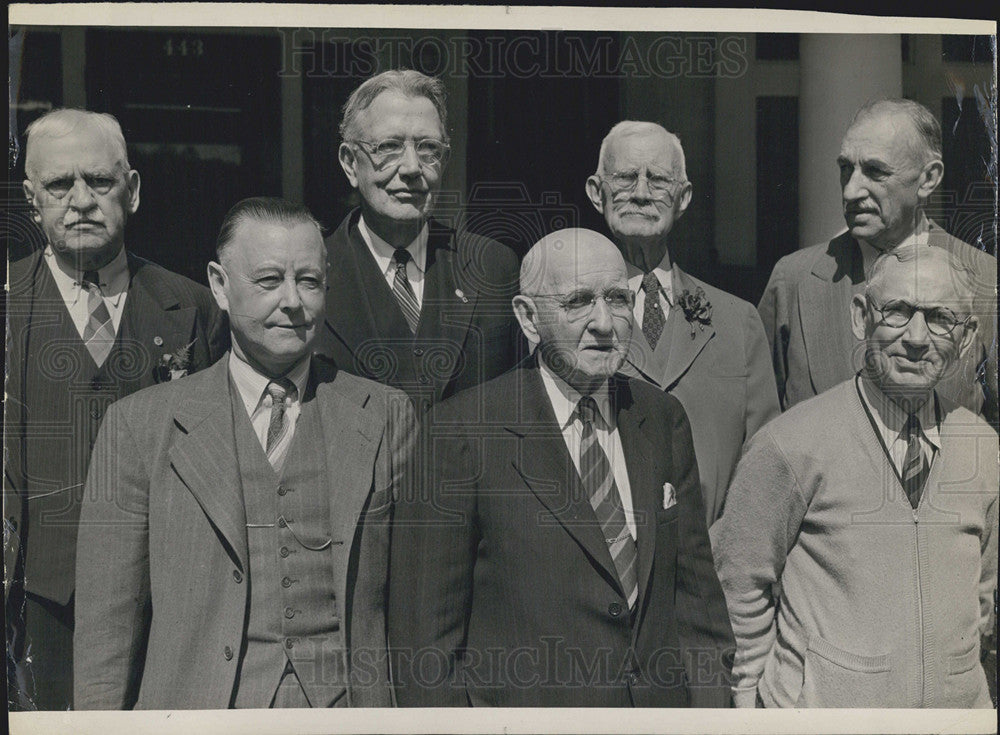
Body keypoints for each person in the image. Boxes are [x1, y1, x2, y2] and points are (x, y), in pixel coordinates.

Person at [74, 198, 415, 709]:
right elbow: (107, 627)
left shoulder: (385, 417)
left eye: (309, 281)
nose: (292, 301)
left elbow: (415, 608)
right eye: (268, 280)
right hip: (199, 713)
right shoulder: (140, 427)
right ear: (219, 285)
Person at [389, 228, 734, 707]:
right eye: (578, 302)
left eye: (617, 298)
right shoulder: (461, 434)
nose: (604, 323)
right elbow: (425, 645)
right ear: (528, 319)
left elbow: (698, 605)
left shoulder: (661, 417)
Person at [4, 108, 227, 710]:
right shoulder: (6, 305)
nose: (80, 200)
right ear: (32, 201)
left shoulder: (194, 309)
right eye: (59, 185)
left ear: (132, 190)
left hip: (167, 603)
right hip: (39, 605)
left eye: (99, 182)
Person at [713, 243, 998, 708]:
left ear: (966, 339)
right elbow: (739, 586)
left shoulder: (982, 447)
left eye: (940, 318)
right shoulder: (791, 443)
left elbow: (981, 593)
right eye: (898, 311)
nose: (917, 337)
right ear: (861, 317)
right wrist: (752, 703)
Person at [585, 121, 780, 525]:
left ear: (683, 196)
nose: (641, 193)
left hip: (712, 568)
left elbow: (766, 464)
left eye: (657, 179)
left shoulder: (737, 321)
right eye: (625, 177)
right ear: (596, 192)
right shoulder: (572, 318)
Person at [758, 98, 997, 424]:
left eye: (875, 171)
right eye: (846, 169)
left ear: (928, 179)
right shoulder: (793, 281)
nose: (851, 191)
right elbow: (761, 432)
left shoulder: (985, 282)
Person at [316, 69, 523, 414]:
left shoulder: (492, 266)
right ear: (350, 164)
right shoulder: (314, 271)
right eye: (389, 147)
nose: (412, 168)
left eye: (428, 148)